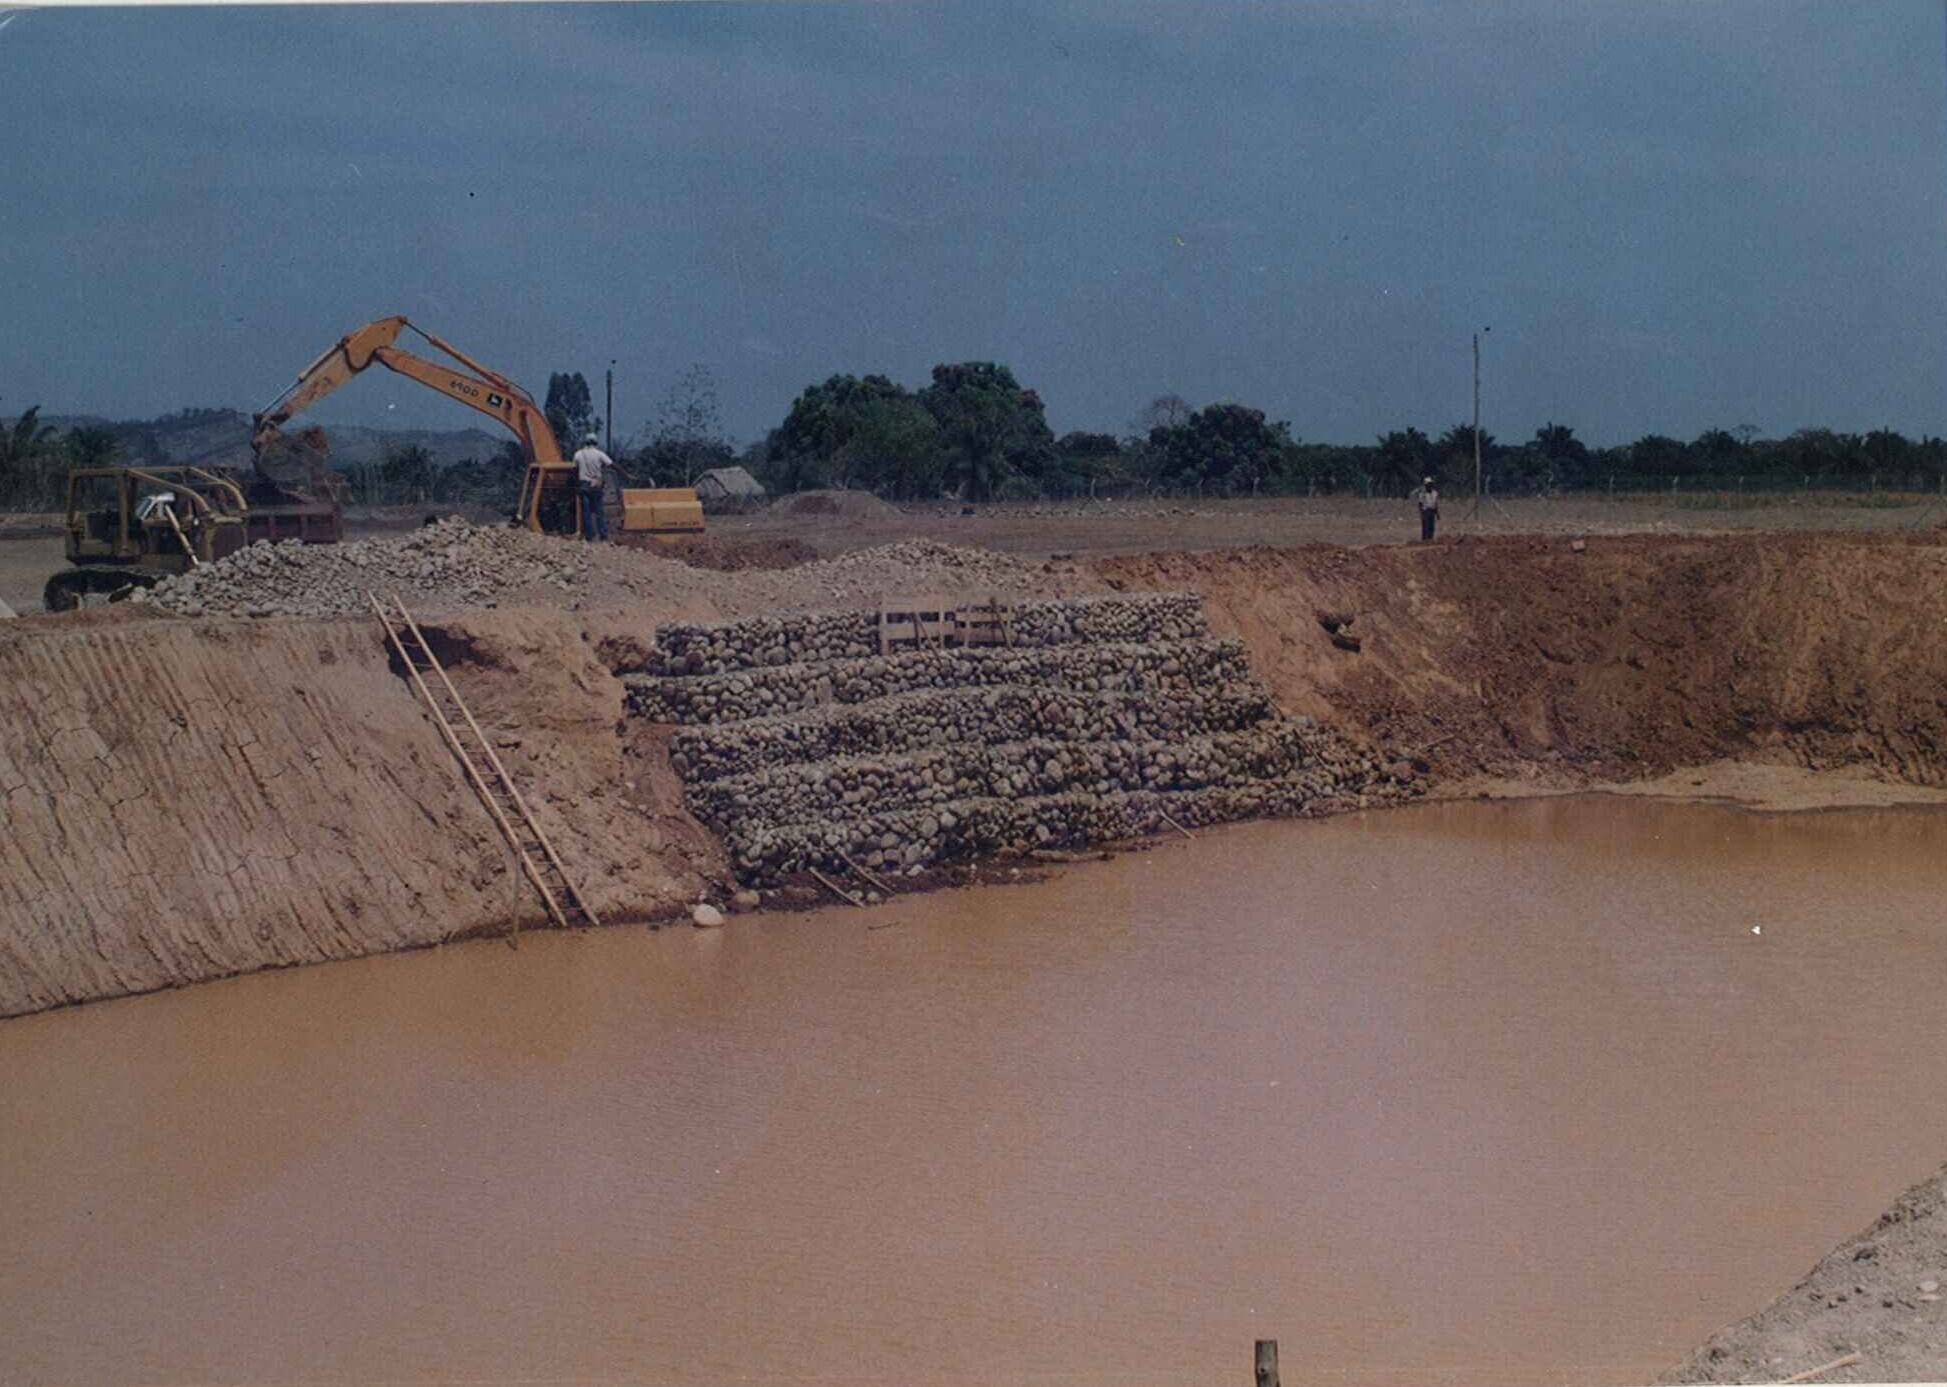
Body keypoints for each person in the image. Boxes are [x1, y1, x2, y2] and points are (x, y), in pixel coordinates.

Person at [572, 431, 612, 542]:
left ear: (585, 442)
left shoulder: (578, 454)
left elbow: (574, 470)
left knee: (586, 511)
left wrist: (576, 482)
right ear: (595, 442)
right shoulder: (599, 454)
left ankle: (589, 535)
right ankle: (602, 534)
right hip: (596, 484)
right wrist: (627, 475)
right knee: (599, 511)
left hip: (584, 485)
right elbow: (611, 464)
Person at [1415, 475, 1440, 542]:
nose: (1429, 485)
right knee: (1425, 526)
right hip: (1425, 510)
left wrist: (1437, 513)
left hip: (1432, 510)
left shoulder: (1435, 493)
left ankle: (1430, 539)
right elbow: (1420, 503)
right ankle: (1424, 540)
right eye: (1428, 484)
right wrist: (1421, 512)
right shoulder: (1422, 493)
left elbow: (1436, 503)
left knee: (1431, 526)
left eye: (1430, 484)